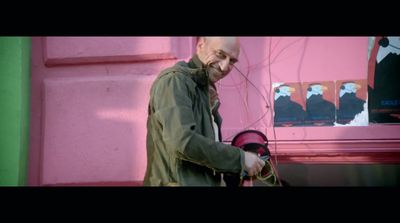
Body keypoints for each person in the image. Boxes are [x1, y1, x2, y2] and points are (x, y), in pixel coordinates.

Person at [143, 37, 265, 186]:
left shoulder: (205, 90)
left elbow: (203, 156)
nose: (224, 66)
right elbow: (183, 142)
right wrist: (240, 158)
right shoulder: (175, 81)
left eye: (232, 61)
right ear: (200, 45)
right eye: (220, 54)